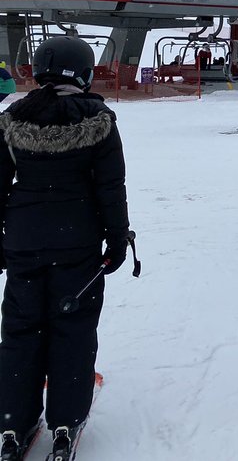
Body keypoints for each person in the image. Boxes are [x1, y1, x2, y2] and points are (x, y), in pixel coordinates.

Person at [0, 36, 130, 461]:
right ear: (84, 72)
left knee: (20, 332)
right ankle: (64, 422)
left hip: (23, 241)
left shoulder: (12, 118)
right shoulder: (99, 119)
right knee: (73, 330)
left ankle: (13, 424)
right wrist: (117, 238)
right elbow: (110, 186)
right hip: (77, 242)